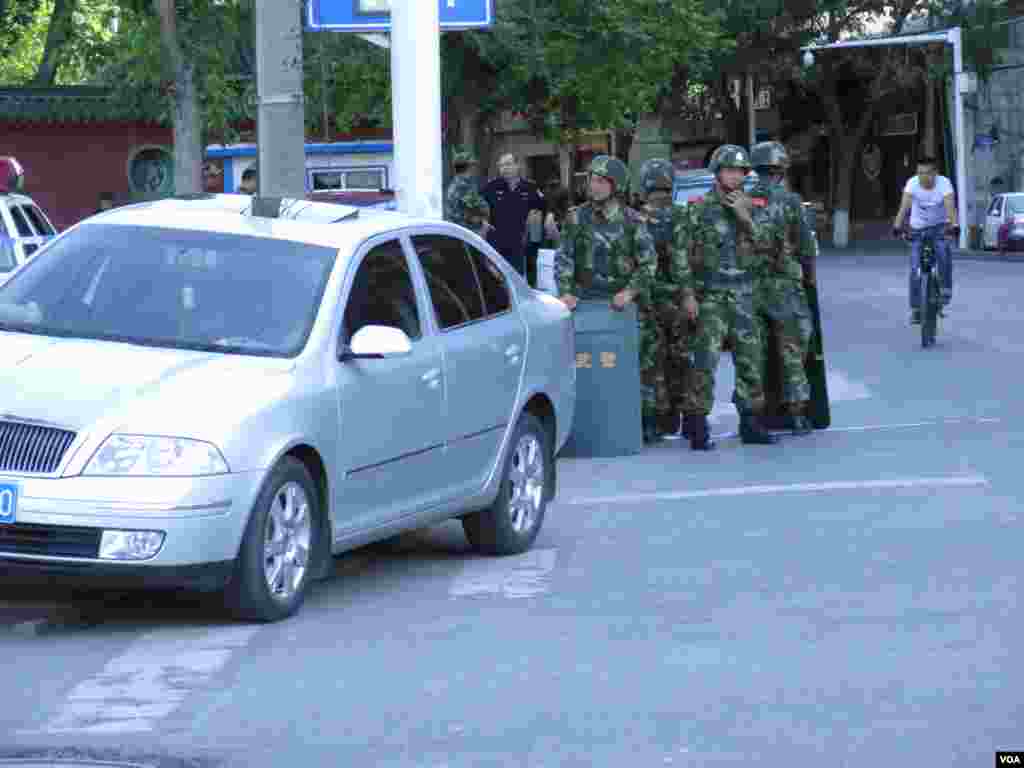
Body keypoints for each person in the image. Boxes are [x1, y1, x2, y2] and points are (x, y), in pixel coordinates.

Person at [553, 155, 662, 442]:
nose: (594, 186)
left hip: (623, 305)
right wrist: (565, 291)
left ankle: (642, 422)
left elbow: (649, 264)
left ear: (616, 186)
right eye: (591, 180)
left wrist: (630, 292)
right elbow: (563, 258)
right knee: (588, 366)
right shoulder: (576, 217)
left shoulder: (633, 220)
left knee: (640, 365)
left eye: (601, 181)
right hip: (586, 305)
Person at [677, 144, 778, 450]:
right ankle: (696, 424)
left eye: (740, 172)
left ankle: (751, 423)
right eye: (729, 170)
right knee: (704, 362)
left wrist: (745, 215)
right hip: (711, 295)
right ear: (717, 173)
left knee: (750, 361)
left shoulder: (755, 206)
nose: (734, 177)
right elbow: (681, 255)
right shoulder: (697, 208)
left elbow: (769, 246)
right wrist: (688, 295)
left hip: (745, 295)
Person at [748, 141, 814, 436]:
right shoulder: (790, 202)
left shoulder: (744, 200)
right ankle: (798, 415)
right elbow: (805, 245)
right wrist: (809, 278)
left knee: (754, 354)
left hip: (750, 288)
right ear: (781, 169)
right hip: (785, 287)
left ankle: (755, 417)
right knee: (792, 350)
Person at [637, 157, 696, 438]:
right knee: (681, 358)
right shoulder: (685, 215)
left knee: (651, 361)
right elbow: (690, 258)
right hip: (680, 299)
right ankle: (685, 417)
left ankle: (653, 420)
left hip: (648, 300)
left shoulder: (636, 218)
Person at [892, 156, 957, 324]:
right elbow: (904, 206)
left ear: (935, 173)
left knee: (943, 253)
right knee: (915, 269)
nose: (923, 177)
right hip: (917, 228)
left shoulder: (944, 183)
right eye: (920, 173)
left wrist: (954, 225)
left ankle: (945, 290)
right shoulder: (912, 184)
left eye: (927, 173)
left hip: (940, 226)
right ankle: (916, 309)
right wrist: (897, 226)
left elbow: (950, 206)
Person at [482, 153, 546, 285]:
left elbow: (542, 208)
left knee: (516, 283)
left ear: (517, 166)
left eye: (508, 164)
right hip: (496, 242)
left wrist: (534, 235)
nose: (504, 168)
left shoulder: (530, 187)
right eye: (501, 165)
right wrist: (482, 223)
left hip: (519, 244)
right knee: (496, 283)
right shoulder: (492, 187)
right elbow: (475, 206)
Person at [444, 146, 481, 228]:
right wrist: (481, 223)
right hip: (464, 232)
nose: (474, 168)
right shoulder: (463, 187)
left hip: (458, 231)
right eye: (473, 165)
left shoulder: (456, 184)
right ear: (469, 167)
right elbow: (471, 213)